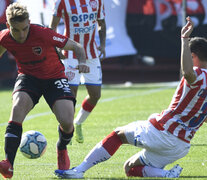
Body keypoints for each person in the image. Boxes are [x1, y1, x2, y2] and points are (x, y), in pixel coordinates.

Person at [55, 16, 207, 179]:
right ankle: (165, 174)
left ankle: (79, 171)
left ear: (192, 57)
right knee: (130, 169)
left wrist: (184, 39)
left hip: (164, 133)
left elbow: (188, 72)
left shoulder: (199, 74)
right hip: (181, 146)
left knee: (117, 135)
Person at [0, 2, 89, 179]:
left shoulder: (43, 34)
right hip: (28, 77)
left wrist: (83, 62)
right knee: (17, 109)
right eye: (16, 30)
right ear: (8, 25)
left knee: (67, 122)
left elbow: (77, 47)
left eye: (25, 29)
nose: (21, 34)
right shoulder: (4, 38)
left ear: (29, 23)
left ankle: (62, 148)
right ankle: (8, 163)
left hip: (54, 77)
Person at [49, 0, 106, 143]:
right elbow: (52, 27)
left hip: (91, 54)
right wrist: (56, 48)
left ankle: (78, 122)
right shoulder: (62, 2)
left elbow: (102, 23)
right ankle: (65, 135)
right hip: (69, 54)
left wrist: (103, 45)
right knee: (70, 97)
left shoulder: (97, 1)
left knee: (95, 95)